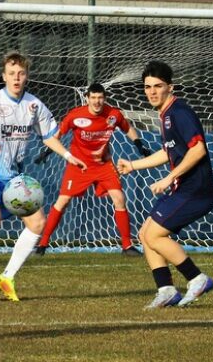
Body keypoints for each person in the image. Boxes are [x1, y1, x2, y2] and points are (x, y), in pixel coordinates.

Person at [0, 51, 85, 302]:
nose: (16, 78)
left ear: (26, 76)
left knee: (38, 223)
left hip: (14, 177)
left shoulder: (34, 105)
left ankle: (7, 276)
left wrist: (68, 156)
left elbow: (49, 136)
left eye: (21, 73)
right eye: (11, 74)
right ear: (3, 76)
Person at [117, 60, 213, 309]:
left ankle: (197, 278)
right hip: (184, 188)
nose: (152, 91)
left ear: (170, 87)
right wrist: (133, 165)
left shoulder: (179, 113)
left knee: (154, 234)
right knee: (144, 234)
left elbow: (198, 150)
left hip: (196, 190)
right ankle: (167, 290)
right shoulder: (165, 114)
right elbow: (168, 152)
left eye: (158, 86)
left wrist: (169, 177)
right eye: (147, 86)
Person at [34, 83, 150, 256]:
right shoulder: (75, 115)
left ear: (104, 98)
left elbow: (127, 128)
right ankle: (43, 245)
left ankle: (127, 246)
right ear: (87, 98)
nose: (97, 101)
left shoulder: (113, 114)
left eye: (100, 98)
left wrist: (139, 144)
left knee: (119, 198)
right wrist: (46, 152)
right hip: (78, 165)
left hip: (103, 165)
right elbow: (57, 136)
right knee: (63, 201)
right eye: (93, 98)